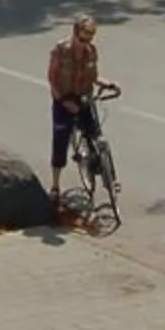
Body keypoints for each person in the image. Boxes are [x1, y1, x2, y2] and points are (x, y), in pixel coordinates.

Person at [47, 13, 104, 197]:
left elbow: (94, 77)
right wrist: (63, 101)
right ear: (75, 33)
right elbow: (52, 78)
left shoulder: (91, 51)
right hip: (63, 98)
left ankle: (108, 175)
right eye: (83, 37)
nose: (86, 41)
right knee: (60, 139)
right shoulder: (60, 50)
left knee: (96, 135)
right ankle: (55, 184)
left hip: (83, 96)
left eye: (90, 37)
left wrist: (107, 83)